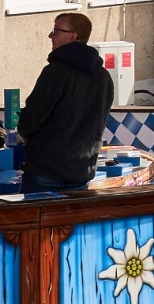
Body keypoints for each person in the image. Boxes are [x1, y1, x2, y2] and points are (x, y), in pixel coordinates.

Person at [18, 11, 116, 193]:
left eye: (56, 30)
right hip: (81, 170)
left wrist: (23, 131)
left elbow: (31, 120)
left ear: (73, 36)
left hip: (45, 170)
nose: (50, 35)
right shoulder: (103, 76)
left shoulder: (55, 72)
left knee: (35, 221)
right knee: (70, 222)